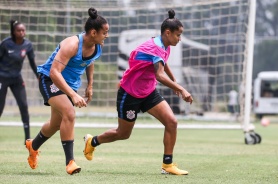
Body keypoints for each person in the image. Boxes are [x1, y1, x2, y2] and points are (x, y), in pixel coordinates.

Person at [83, 9, 193, 175]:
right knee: (123, 133)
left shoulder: (164, 44)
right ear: (168, 33)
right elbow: (159, 75)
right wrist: (180, 88)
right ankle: (93, 141)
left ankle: (167, 165)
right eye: (178, 35)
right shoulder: (154, 47)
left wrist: (175, 81)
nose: (180, 38)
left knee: (171, 122)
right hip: (130, 93)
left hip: (148, 92)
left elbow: (164, 64)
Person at [25, 7, 109, 175]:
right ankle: (70, 162)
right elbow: (54, 72)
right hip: (50, 79)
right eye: (104, 32)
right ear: (93, 32)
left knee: (56, 124)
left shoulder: (97, 46)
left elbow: (90, 61)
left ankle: (32, 145)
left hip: (69, 85)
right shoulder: (72, 44)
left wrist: (90, 85)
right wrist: (73, 94)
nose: (107, 35)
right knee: (69, 113)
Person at [0, 20, 39, 143]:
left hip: (16, 78)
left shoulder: (27, 45)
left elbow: (33, 64)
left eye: (23, 30)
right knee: (0, 107)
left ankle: (27, 138)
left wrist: (39, 76)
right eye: (18, 30)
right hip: (2, 78)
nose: (21, 32)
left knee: (23, 105)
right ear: (13, 31)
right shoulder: (5, 44)